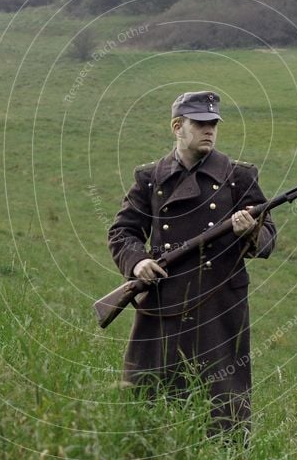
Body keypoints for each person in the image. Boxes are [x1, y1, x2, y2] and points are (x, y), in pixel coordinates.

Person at [107, 91, 276, 437]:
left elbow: (269, 237)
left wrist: (251, 231)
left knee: (223, 402)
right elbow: (122, 231)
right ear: (177, 127)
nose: (209, 130)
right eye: (199, 123)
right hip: (163, 301)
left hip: (220, 306)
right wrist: (137, 263)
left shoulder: (237, 177)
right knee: (145, 395)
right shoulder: (150, 179)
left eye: (213, 124)